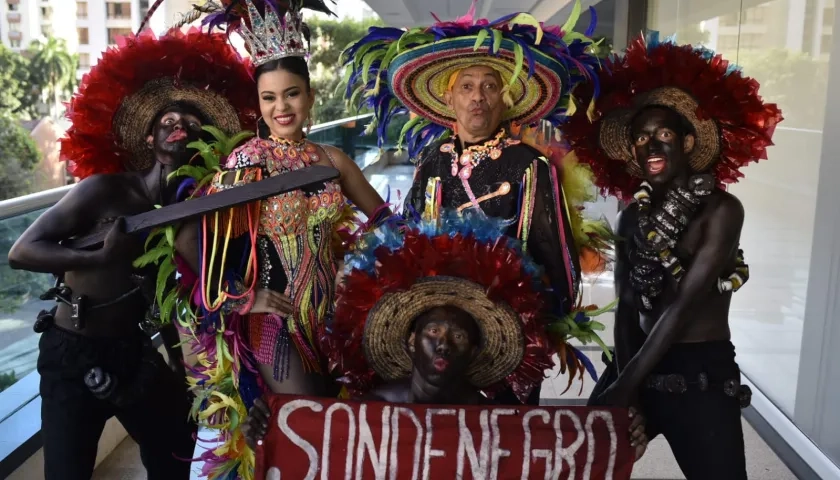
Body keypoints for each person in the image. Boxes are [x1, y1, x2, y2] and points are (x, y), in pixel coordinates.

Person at [6, 28, 259, 480]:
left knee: (176, 453)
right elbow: (22, 251)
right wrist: (100, 257)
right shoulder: (104, 190)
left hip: (135, 354)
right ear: (149, 140)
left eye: (191, 123)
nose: (179, 125)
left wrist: (186, 375)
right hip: (72, 353)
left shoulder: (190, 212)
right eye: (167, 121)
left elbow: (167, 299)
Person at [341, 1, 608, 405]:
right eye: (466, 86)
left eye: (490, 86)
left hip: (505, 329)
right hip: (440, 333)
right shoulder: (432, 160)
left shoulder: (529, 166)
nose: (478, 98)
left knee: (502, 439)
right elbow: (408, 241)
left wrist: (542, 329)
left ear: (506, 99)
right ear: (450, 100)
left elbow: (554, 256)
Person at [168, 1, 388, 478]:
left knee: (339, 425)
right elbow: (189, 238)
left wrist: (377, 276)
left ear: (310, 96)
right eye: (269, 98)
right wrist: (242, 299)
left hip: (333, 319)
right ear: (258, 103)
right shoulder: (246, 164)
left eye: (291, 94)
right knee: (306, 419)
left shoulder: (333, 160)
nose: (281, 108)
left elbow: (386, 223)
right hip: (274, 324)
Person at [243, 212, 648, 460]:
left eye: (458, 335)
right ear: (409, 340)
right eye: (434, 330)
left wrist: (615, 432)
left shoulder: (499, 421)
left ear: (474, 349)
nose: (443, 342)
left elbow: (563, 451)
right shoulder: (367, 411)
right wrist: (269, 426)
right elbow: (313, 450)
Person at [561, 33, 783, 478]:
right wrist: (628, 385)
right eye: (642, 138)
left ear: (685, 142)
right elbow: (626, 306)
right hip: (635, 356)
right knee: (582, 463)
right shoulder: (630, 218)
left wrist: (626, 388)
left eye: (663, 134)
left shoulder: (721, 210)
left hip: (699, 369)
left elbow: (682, 307)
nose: (651, 146)